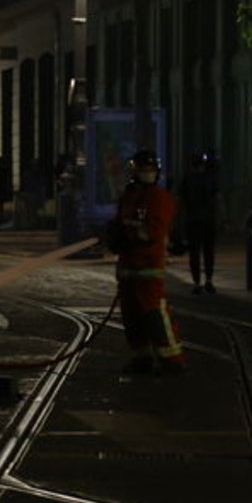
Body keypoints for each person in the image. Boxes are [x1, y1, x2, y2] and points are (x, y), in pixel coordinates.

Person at [104, 150, 186, 376]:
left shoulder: (159, 198)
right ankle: (142, 358)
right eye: (143, 169)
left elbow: (153, 231)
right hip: (128, 268)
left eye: (150, 170)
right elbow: (121, 222)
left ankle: (172, 360)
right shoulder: (129, 196)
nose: (147, 173)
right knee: (132, 317)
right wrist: (114, 235)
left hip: (148, 267)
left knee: (155, 314)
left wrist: (125, 232)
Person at [178, 150, 221, 294]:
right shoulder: (211, 178)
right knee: (209, 252)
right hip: (208, 220)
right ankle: (209, 280)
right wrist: (222, 219)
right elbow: (217, 200)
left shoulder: (187, 179)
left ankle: (197, 283)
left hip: (193, 221)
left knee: (194, 253)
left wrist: (180, 220)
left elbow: (181, 201)